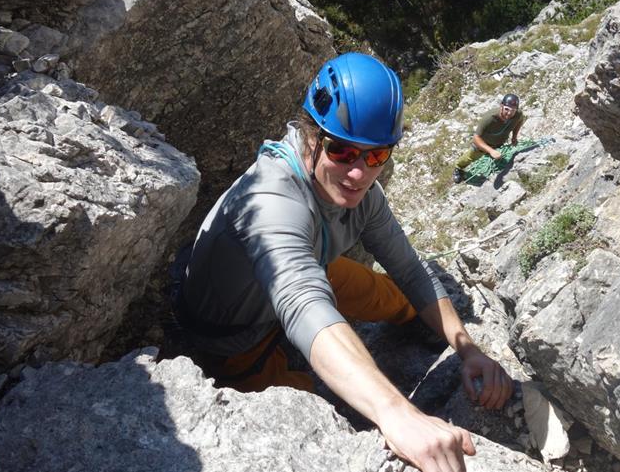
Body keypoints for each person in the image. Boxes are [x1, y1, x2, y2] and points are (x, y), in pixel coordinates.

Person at [173, 52, 514, 472]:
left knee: (392, 294)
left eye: (376, 156)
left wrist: (467, 348)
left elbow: (409, 268)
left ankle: (415, 330)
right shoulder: (269, 200)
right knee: (308, 415)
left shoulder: (362, 193)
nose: (358, 174)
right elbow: (303, 303)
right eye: (343, 152)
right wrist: (398, 413)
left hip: (311, 269)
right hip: (236, 335)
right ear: (310, 136)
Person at [452, 94, 525, 183]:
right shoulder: (489, 118)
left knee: (499, 156)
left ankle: (491, 154)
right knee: (471, 156)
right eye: (507, 109)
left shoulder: (517, 115)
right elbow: (476, 138)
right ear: (501, 106)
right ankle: (458, 168)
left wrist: (514, 137)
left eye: (513, 110)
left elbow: (519, 121)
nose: (509, 113)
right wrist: (491, 151)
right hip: (484, 142)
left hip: (499, 142)